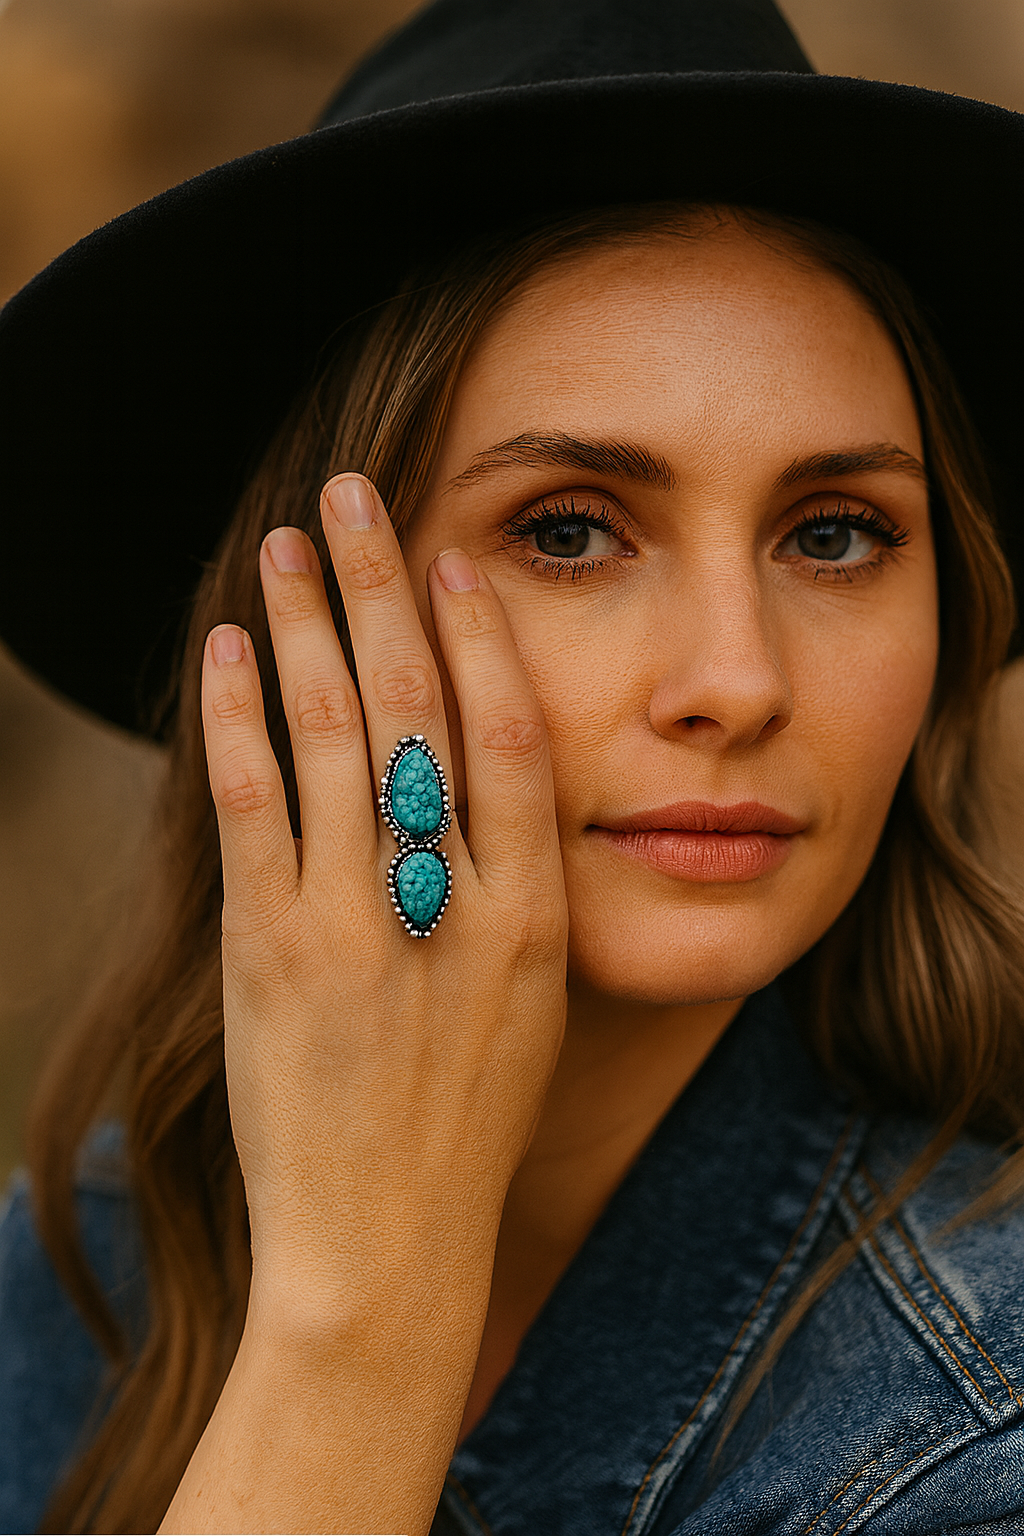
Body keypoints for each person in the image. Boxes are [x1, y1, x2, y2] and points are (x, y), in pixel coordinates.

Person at [2, 1, 1024, 1532]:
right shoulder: (76, 1268)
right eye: (569, 531)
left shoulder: (973, 1439)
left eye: (835, 534)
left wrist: (357, 1324)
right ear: (303, 634)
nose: (738, 683)